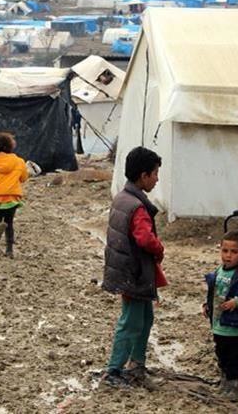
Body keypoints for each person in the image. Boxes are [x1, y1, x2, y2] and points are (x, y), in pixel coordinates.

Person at [101, 146, 167, 388]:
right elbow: (145, 239)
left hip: (125, 269)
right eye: (155, 173)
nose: (157, 179)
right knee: (131, 322)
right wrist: (159, 249)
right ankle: (114, 371)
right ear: (143, 175)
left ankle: (136, 364)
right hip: (135, 272)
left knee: (144, 319)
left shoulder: (122, 198)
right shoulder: (137, 207)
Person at [202, 231, 238, 402]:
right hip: (219, 327)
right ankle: (225, 384)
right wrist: (207, 306)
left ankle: (236, 388)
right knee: (222, 356)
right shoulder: (220, 271)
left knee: (235, 360)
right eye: (225, 251)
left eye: (234, 252)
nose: (228, 255)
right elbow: (216, 293)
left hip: (236, 330)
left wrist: (237, 302)